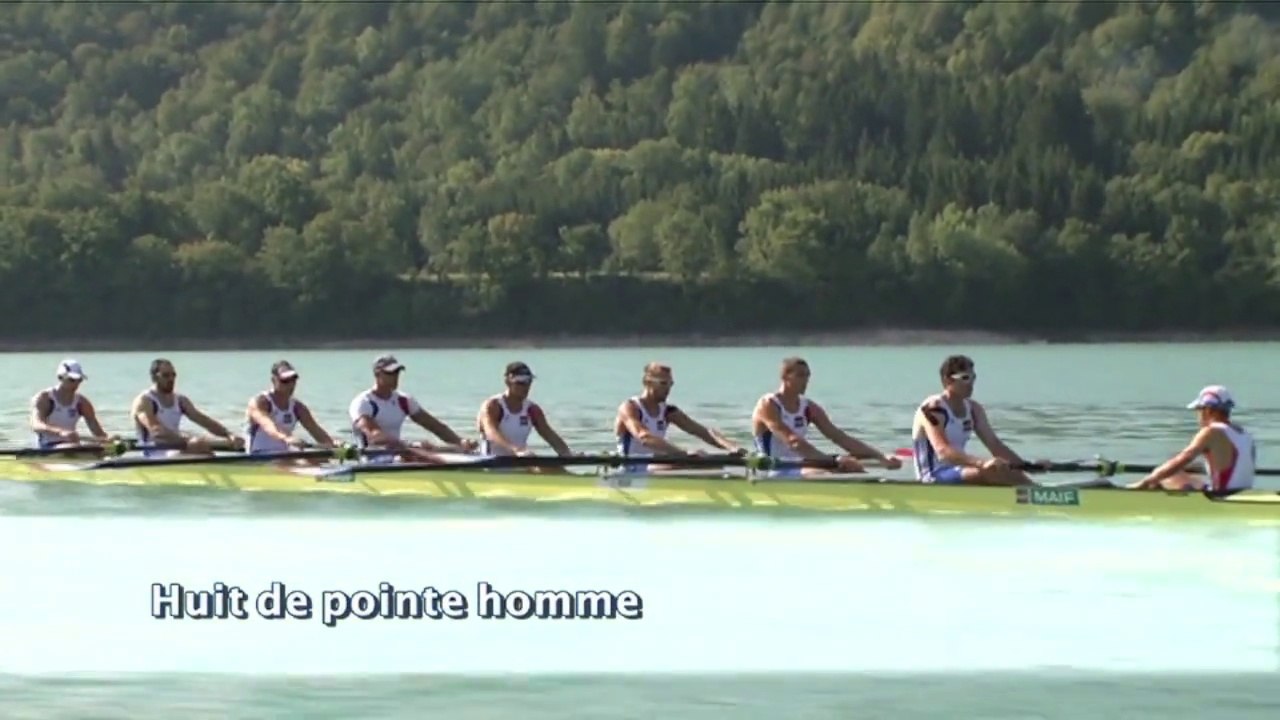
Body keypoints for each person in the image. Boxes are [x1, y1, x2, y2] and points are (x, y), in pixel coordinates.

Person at [751, 357, 901, 477]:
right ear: (785, 377)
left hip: (800, 466)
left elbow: (839, 437)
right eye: (800, 376)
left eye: (807, 376)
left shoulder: (808, 407)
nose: (806, 381)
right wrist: (833, 461)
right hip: (773, 469)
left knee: (856, 471)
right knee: (826, 473)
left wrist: (880, 457)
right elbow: (793, 442)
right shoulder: (768, 404)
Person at [909, 354, 1040, 486]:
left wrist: (1028, 467)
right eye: (965, 378)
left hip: (959, 471)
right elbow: (943, 451)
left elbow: (995, 445)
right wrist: (982, 463)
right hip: (933, 475)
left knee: (1010, 472)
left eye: (973, 378)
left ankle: (1039, 494)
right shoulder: (933, 409)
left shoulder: (974, 409)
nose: (971, 383)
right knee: (992, 472)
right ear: (947, 380)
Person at [613, 362, 744, 472]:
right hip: (630, 467)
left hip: (654, 465)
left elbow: (703, 432)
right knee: (694, 462)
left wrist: (732, 447)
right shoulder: (630, 407)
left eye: (671, 384)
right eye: (663, 383)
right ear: (647, 382)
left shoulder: (668, 411)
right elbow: (644, 437)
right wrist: (683, 454)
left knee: (706, 460)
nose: (668, 389)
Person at [349, 354, 478, 462]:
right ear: (377, 374)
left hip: (399, 453)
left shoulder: (403, 400)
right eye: (390, 373)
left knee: (451, 450)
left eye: (397, 372)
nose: (395, 377)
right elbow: (375, 436)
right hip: (371, 458)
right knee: (423, 452)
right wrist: (411, 445)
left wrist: (460, 442)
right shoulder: (363, 403)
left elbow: (435, 426)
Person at [1129, 385, 1256, 493]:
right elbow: (1230, 463)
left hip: (1221, 496)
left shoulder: (1211, 431)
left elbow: (1182, 459)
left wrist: (1145, 481)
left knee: (1169, 476)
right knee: (1179, 473)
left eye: (1199, 410)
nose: (1198, 415)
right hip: (1243, 492)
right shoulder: (1244, 434)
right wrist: (1192, 468)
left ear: (1208, 410)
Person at [130, 358, 243, 457]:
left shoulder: (180, 400)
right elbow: (156, 431)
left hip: (175, 448)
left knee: (203, 446)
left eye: (173, 375)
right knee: (198, 445)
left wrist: (229, 435)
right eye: (166, 375)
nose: (171, 379)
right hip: (153, 453)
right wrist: (188, 440)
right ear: (154, 377)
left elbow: (204, 421)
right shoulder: (144, 401)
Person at [475, 361, 573, 459]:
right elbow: (491, 433)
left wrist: (567, 453)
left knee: (554, 469)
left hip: (520, 461)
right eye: (521, 382)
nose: (526, 387)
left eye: (529, 381)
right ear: (508, 382)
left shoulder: (532, 409)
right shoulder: (493, 406)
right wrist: (516, 450)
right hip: (491, 464)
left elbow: (550, 435)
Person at [244, 360, 338, 455]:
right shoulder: (260, 402)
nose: (290, 384)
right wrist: (287, 438)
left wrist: (334, 444)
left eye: (293, 379)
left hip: (283, 456)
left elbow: (316, 431)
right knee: (304, 464)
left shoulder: (297, 407)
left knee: (320, 459)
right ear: (273, 380)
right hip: (257, 456)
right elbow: (270, 427)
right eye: (285, 381)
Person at [29, 359, 113, 449]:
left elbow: (98, 434)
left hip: (72, 446)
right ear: (60, 377)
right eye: (72, 380)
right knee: (76, 448)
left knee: (92, 447)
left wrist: (109, 440)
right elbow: (36, 425)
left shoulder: (82, 402)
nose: (76, 384)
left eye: (79, 380)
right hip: (47, 446)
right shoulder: (44, 398)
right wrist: (60, 432)